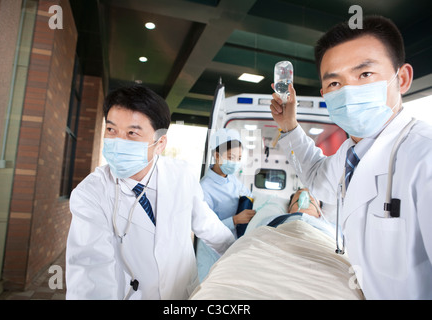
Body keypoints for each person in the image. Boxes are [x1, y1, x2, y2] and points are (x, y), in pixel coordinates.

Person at [270, 16, 432, 299]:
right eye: (334, 83)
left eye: (365, 75)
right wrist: (289, 125)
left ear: (402, 78)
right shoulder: (350, 154)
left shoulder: (424, 157)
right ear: (325, 95)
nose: (348, 91)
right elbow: (317, 180)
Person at [65, 84, 235, 300]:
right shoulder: (91, 194)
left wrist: (241, 257)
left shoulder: (181, 175)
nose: (118, 141)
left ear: (160, 143)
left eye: (132, 133)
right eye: (111, 130)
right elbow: (90, 273)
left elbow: (208, 226)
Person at [196, 128, 255, 281]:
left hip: (233, 246)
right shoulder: (204, 188)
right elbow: (203, 227)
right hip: (211, 251)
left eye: (239, 157)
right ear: (216, 155)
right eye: (230, 157)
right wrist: (235, 220)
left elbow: (248, 195)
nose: (235, 162)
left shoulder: (232, 179)